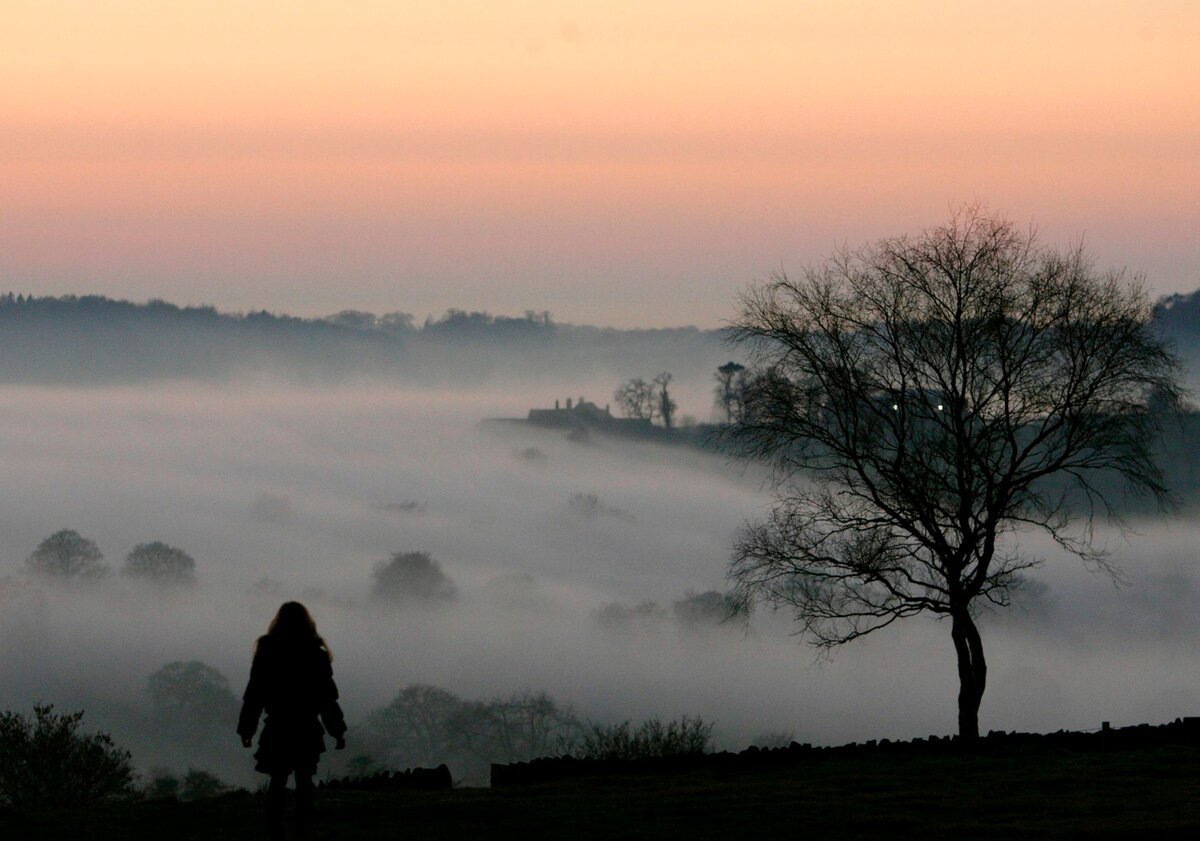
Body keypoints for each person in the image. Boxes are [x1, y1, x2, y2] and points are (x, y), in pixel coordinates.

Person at [238, 601, 346, 839]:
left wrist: (247, 729)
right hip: (306, 727)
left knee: (277, 782)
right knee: (304, 781)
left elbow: (254, 694)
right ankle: (303, 831)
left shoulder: (267, 652)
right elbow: (327, 698)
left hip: (278, 726)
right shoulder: (315, 654)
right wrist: (337, 731)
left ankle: (276, 831)